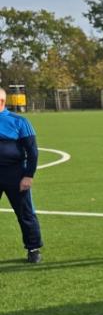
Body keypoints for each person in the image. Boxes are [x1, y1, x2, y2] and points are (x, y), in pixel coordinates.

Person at [0, 88, 43, 263]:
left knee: (25, 213)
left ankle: (33, 249)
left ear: (1, 101)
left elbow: (32, 151)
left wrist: (28, 175)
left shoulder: (19, 122)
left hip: (15, 174)